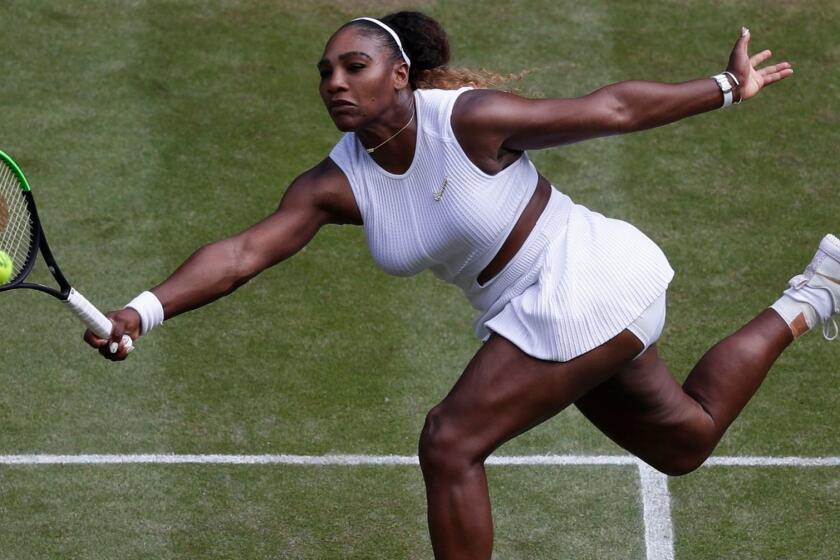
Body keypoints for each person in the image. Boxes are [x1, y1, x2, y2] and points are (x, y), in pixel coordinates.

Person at [85, 11, 838, 559]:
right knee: (685, 440)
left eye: (356, 66)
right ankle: (816, 292)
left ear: (400, 74)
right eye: (326, 71)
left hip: (584, 278)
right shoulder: (334, 184)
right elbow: (243, 253)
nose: (336, 82)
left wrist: (726, 87)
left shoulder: (468, 121)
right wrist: (140, 312)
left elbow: (609, 109)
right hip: (545, 313)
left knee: (449, 442)